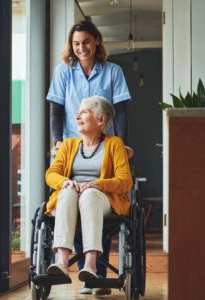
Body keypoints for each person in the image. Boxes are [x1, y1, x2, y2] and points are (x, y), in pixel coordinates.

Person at [46, 20, 132, 295]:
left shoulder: (112, 72)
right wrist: (58, 142)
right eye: (75, 43)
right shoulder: (64, 72)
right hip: (74, 145)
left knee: (92, 196)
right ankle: (66, 263)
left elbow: (122, 109)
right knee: (70, 194)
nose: (81, 47)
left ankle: (94, 272)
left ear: (96, 41)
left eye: (85, 42)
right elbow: (56, 109)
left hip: (102, 149)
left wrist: (121, 144)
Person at [45, 97, 133, 288]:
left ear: (101, 120)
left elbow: (125, 181)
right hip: (70, 200)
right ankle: (61, 262)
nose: (77, 116)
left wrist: (97, 184)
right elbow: (51, 174)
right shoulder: (68, 145)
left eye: (84, 112)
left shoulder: (114, 144)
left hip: (102, 200)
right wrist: (65, 181)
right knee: (67, 192)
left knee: (89, 194)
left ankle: (91, 265)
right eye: (78, 112)